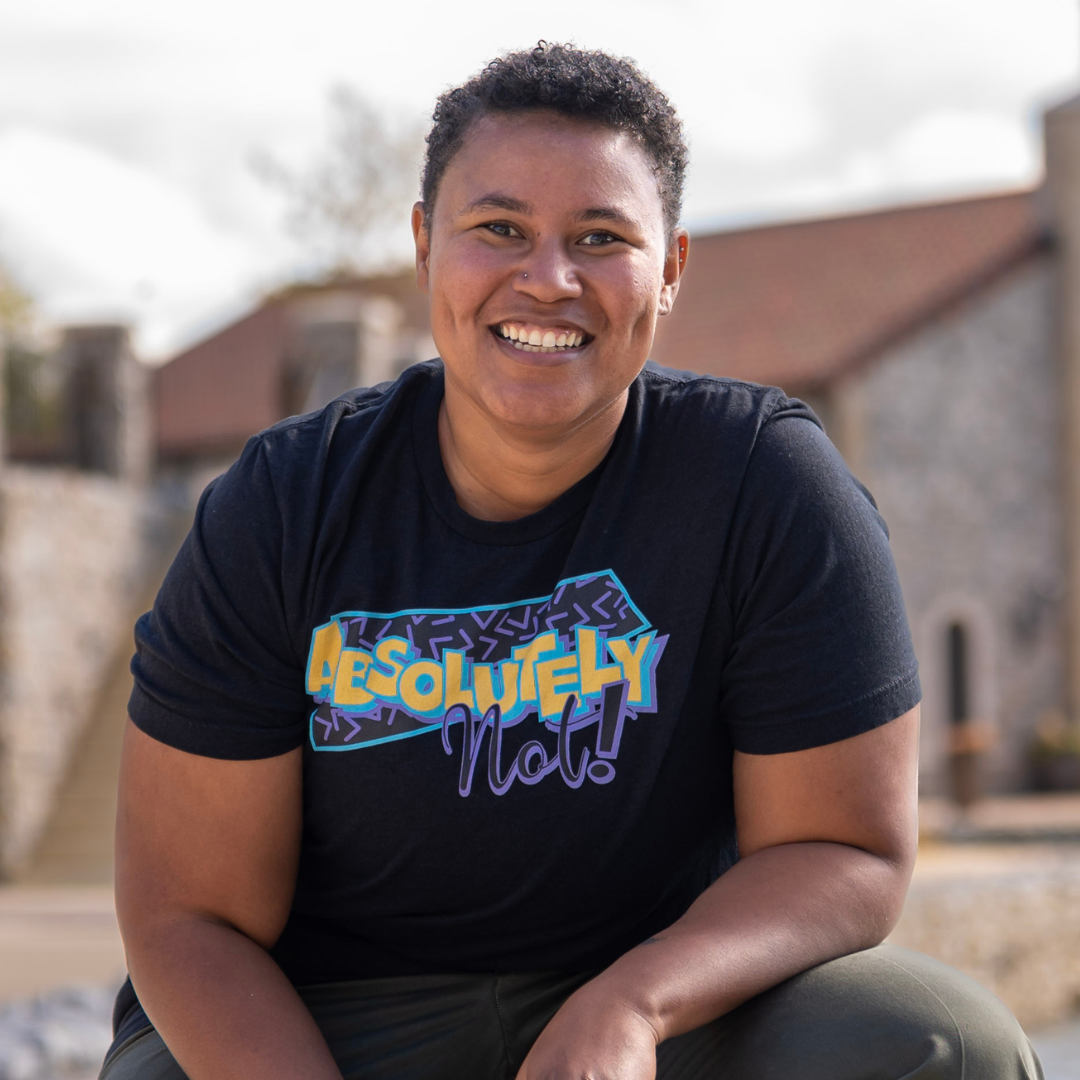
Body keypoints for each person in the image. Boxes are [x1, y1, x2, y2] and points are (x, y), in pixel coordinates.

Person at [101, 43, 1041, 1080]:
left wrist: (637, 1003)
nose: (548, 279)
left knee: (946, 1043)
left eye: (601, 238)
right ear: (424, 245)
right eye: (498, 229)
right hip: (334, 1017)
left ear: (670, 269)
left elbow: (846, 850)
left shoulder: (764, 485)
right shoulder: (284, 502)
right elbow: (188, 913)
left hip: (657, 1000)